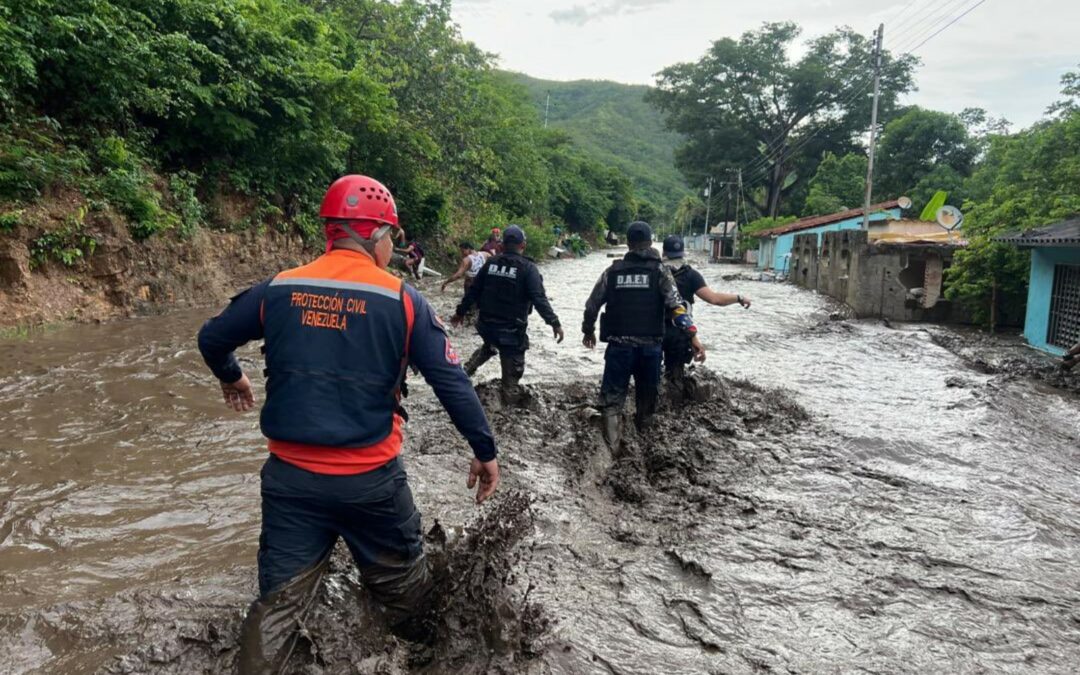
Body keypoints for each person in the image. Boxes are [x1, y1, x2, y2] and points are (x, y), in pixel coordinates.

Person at [196, 175, 499, 673]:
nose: (392, 249)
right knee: (408, 599)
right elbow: (452, 383)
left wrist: (234, 378)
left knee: (278, 610)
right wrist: (484, 451)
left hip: (290, 482)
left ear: (331, 232)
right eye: (392, 239)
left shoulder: (279, 288)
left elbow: (212, 338)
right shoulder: (403, 300)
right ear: (376, 233)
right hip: (371, 485)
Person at [582, 221, 703, 448]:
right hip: (650, 351)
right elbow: (677, 308)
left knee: (612, 403)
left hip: (619, 349)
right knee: (647, 403)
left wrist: (588, 331)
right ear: (649, 243)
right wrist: (692, 335)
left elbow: (591, 306)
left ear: (628, 244)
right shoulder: (660, 272)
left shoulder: (612, 272)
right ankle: (645, 449)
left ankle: (614, 449)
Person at [451, 225, 564, 401]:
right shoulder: (528, 269)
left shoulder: (491, 263)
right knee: (511, 385)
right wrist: (554, 323)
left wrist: (460, 313)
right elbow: (539, 299)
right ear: (523, 245)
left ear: (502, 245)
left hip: (486, 326)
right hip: (511, 332)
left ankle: (464, 374)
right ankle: (507, 408)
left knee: (490, 344)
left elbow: (473, 291)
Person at [660, 234, 751, 380]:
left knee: (649, 376)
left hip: (653, 332)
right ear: (682, 254)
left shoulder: (654, 273)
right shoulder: (691, 275)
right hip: (681, 332)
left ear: (663, 253)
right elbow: (714, 299)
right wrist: (738, 298)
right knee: (674, 377)